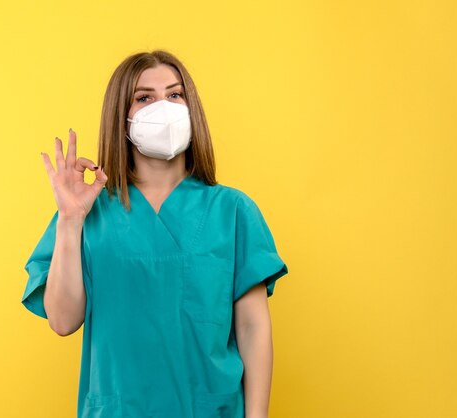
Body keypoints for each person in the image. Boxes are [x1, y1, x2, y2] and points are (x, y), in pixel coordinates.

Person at [21, 49, 289, 418]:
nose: (163, 106)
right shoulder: (89, 212)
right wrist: (69, 220)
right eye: (144, 97)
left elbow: (252, 327)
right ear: (123, 117)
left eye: (175, 95)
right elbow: (63, 321)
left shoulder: (233, 211)